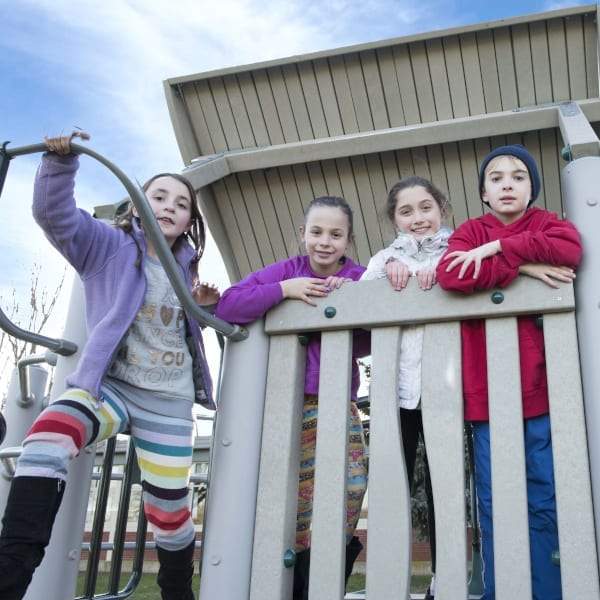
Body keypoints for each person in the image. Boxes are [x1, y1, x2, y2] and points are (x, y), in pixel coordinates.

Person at [0, 131, 219, 600]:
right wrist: (60, 165)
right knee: (46, 438)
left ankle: (177, 590)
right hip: (108, 387)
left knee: (168, 510)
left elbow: (183, 328)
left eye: (181, 204)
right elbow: (54, 217)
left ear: (189, 221)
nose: (169, 206)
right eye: (158, 195)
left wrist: (203, 308)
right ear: (137, 204)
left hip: (167, 399)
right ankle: (9, 573)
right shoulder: (108, 246)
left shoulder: (187, 271)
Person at [436, 145, 581, 600]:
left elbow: (570, 249)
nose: (507, 184)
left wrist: (501, 248)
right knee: (496, 500)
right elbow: (452, 274)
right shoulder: (468, 230)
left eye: (518, 177)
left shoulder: (545, 223)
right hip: (486, 396)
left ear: (532, 188)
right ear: (483, 192)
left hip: (541, 389)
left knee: (543, 495)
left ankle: (549, 590)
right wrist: (526, 266)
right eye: (496, 178)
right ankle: (504, 591)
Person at [215, 195, 368, 599]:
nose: (324, 242)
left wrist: (352, 297)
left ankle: (329, 580)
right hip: (291, 404)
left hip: (339, 401)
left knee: (351, 487)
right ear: (302, 234)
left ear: (348, 240)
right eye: (316, 232)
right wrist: (285, 289)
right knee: (298, 502)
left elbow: (372, 334)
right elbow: (229, 304)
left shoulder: (359, 276)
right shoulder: (288, 271)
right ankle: (297, 587)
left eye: (336, 234)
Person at [361, 175, 451, 600]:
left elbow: (476, 279)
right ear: (395, 220)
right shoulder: (383, 259)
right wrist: (384, 280)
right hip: (395, 391)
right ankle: (389, 579)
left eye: (426, 207)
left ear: (442, 209)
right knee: (393, 481)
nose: (418, 218)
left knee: (442, 485)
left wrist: (445, 273)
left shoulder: (459, 248)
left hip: (445, 389)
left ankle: (443, 578)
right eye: (407, 211)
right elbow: (359, 301)